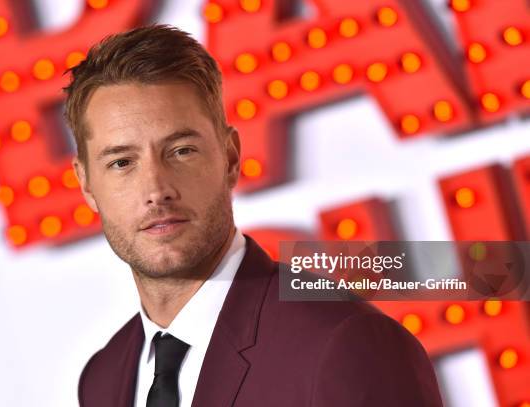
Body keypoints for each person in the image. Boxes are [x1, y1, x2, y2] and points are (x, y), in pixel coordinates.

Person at [63, 24, 443, 407]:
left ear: (230, 158)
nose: (156, 190)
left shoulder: (345, 343)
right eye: (122, 162)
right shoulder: (103, 379)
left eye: (181, 151)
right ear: (87, 184)